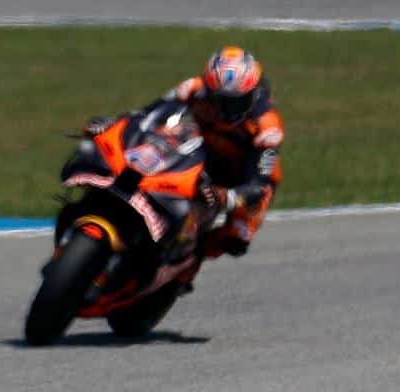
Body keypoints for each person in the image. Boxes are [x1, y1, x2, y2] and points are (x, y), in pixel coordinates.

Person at [85, 46, 284, 259]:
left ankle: (184, 267)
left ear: (252, 94)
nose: (227, 110)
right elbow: (148, 114)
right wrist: (115, 124)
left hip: (237, 177)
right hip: (196, 156)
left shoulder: (267, 127)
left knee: (236, 239)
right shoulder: (192, 88)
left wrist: (227, 197)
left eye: (236, 102)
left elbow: (260, 184)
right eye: (219, 100)